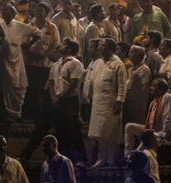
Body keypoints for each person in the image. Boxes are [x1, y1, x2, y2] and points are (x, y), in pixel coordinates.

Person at [0, 3, 42, 122]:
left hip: (17, 61)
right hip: (4, 61)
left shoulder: (20, 25)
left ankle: (17, 114)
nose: (5, 12)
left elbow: (38, 33)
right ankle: (7, 114)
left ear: (13, 14)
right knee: (6, 87)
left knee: (19, 87)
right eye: (4, 10)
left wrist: (27, 45)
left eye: (8, 10)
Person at [87, 38, 127, 166]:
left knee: (111, 131)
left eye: (102, 46)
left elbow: (122, 85)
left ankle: (111, 158)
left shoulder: (118, 64)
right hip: (97, 101)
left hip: (111, 101)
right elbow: (92, 81)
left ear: (110, 48)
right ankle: (101, 157)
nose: (99, 48)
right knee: (99, 132)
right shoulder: (97, 63)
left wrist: (119, 101)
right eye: (99, 45)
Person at [48, 38, 87, 165]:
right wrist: (54, 97)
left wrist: (61, 97)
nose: (61, 45)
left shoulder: (75, 63)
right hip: (58, 100)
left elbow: (74, 82)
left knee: (73, 129)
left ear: (70, 49)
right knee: (60, 129)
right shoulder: (56, 64)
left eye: (64, 44)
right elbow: (51, 82)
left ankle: (81, 158)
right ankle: (65, 158)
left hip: (69, 100)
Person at [125, 78, 171, 150]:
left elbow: (168, 118)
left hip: (161, 133)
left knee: (147, 136)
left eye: (154, 86)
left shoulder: (167, 97)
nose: (150, 88)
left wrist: (164, 135)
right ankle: (128, 154)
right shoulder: (153, 102)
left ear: (161, 89)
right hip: (151, 130)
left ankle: (134, 155)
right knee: (129, 127)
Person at [123, 45, 152, 127]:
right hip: (128, 104)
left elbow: (142, 88)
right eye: (129, 52)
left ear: (139, 55)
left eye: (132, 52)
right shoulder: (130, 68)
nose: (129, 54)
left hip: (138, 105)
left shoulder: (144, 69)